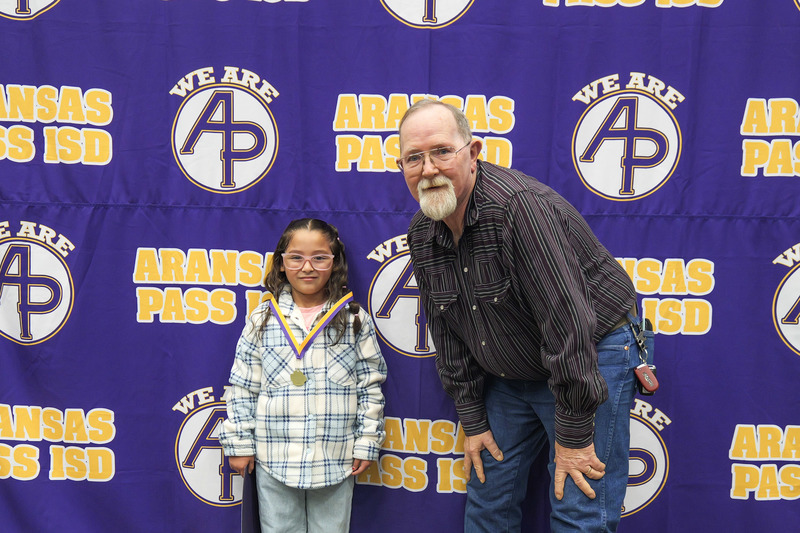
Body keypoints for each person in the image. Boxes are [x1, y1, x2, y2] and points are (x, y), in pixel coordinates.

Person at [396, 99, 653, 532]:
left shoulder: (518, 209)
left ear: (473, 152)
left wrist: (573, 437)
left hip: (590, 352)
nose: (428, 169)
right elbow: (447, 330)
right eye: (413, 158)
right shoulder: (423, 232)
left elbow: (568, 322)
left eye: (442, 151)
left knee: (578, 508)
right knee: (487, 499)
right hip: (513, 370)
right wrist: (473, 418)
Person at [220, 218, 387, 533]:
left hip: (335, 458)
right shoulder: (262, 319)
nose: (307, 267)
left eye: (320, 257)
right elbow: (243, 386)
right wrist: (239, 443)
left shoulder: (353, 320)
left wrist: (367, 441)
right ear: (281, 264)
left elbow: (370, 386)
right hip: (275, 458)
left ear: (334, 263)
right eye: (296, 257)